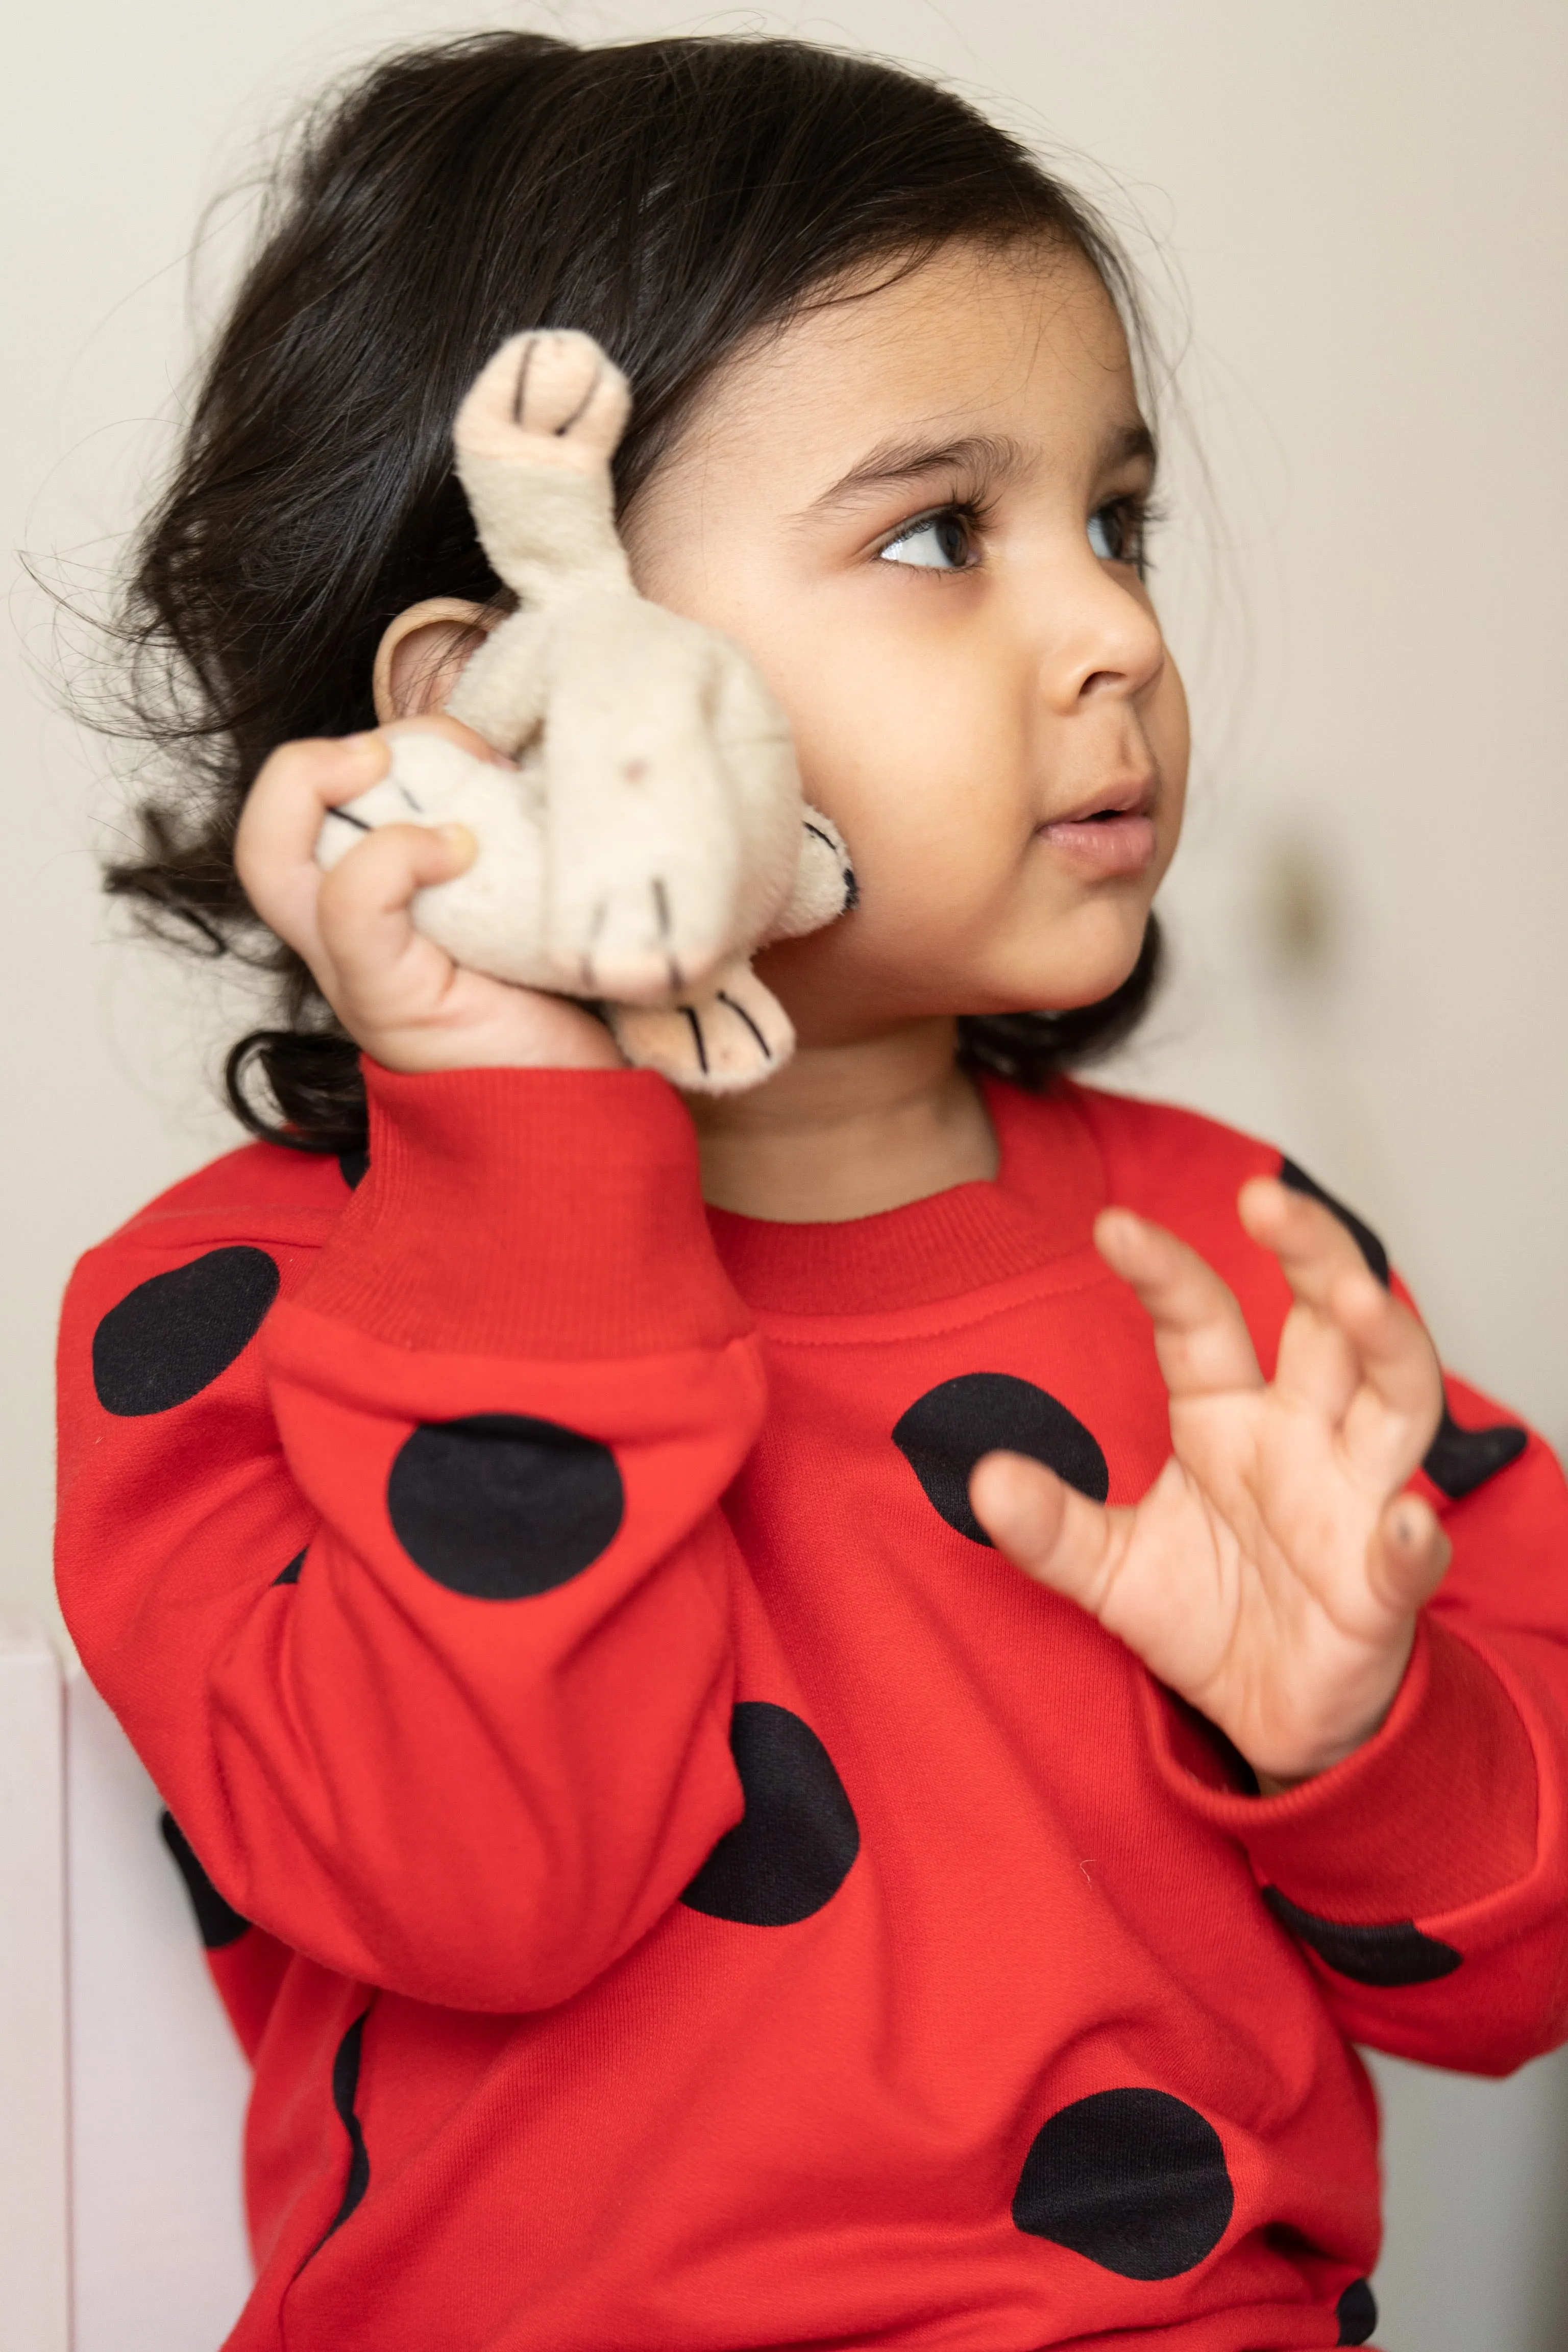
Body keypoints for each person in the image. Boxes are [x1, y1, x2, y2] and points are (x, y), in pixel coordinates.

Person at [54, 31, 1568, 2352]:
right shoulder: (227, 1314)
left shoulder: (1224, 1268)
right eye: (940, 536)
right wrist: (526, 1134)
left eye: (1119, 519)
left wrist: (1363, 1738)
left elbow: (1520, 1980)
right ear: (504, 705)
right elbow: (485, 1886)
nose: (1122, 637)